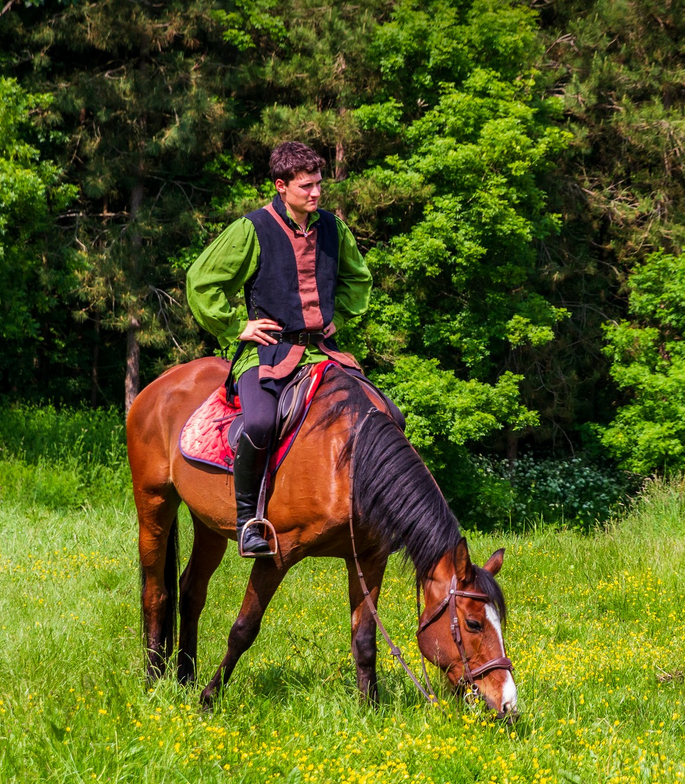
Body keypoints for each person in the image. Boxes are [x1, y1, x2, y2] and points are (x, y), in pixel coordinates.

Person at [187, 141, 403, 556]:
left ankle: (375, 516)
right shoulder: (252, 229)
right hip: (267, 353)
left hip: (324, 353)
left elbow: (359, 278)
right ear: (281, 186)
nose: (316, 193)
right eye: (307, 186)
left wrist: (341, 315)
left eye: (319, 184)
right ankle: (249, 521)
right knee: (260, 423)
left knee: (391, 414)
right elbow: (201, 280)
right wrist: (236, 326)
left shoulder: (332, 228)